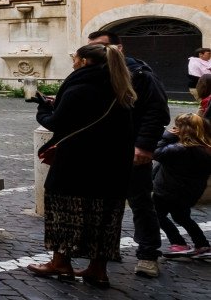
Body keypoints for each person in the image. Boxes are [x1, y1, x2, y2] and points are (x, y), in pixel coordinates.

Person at [28, 42, 137, 286]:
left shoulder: (80, 86)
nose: (73, 63)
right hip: (113, 165)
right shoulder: (121, 87)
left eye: (75, 59)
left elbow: (58, 123)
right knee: (104, 217)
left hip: (77, 162)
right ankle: (97, 270)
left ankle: (60, 262)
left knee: (66, 210)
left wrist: (43, 110)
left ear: (85, 62)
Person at [87, 29, 170, 277]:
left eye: (102, 47)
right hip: (100, 151)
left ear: (118, 48)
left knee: (141, 203)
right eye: (92, 47)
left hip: (131, 150)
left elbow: (156, 112)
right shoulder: (94, 73)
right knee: (99, 203)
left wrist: (144, 146)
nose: (97, 52)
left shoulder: (141, 74)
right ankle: (104, 251)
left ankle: (148, 256)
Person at [154, 112, 211, 259]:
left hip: (168, 191)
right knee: (182, 217)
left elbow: (157, 153)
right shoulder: (205, 148)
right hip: (189, 193)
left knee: (156, 215)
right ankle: (202, 245)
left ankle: (178, 243)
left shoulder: (179, 149)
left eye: (177, 126)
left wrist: (166, 137)